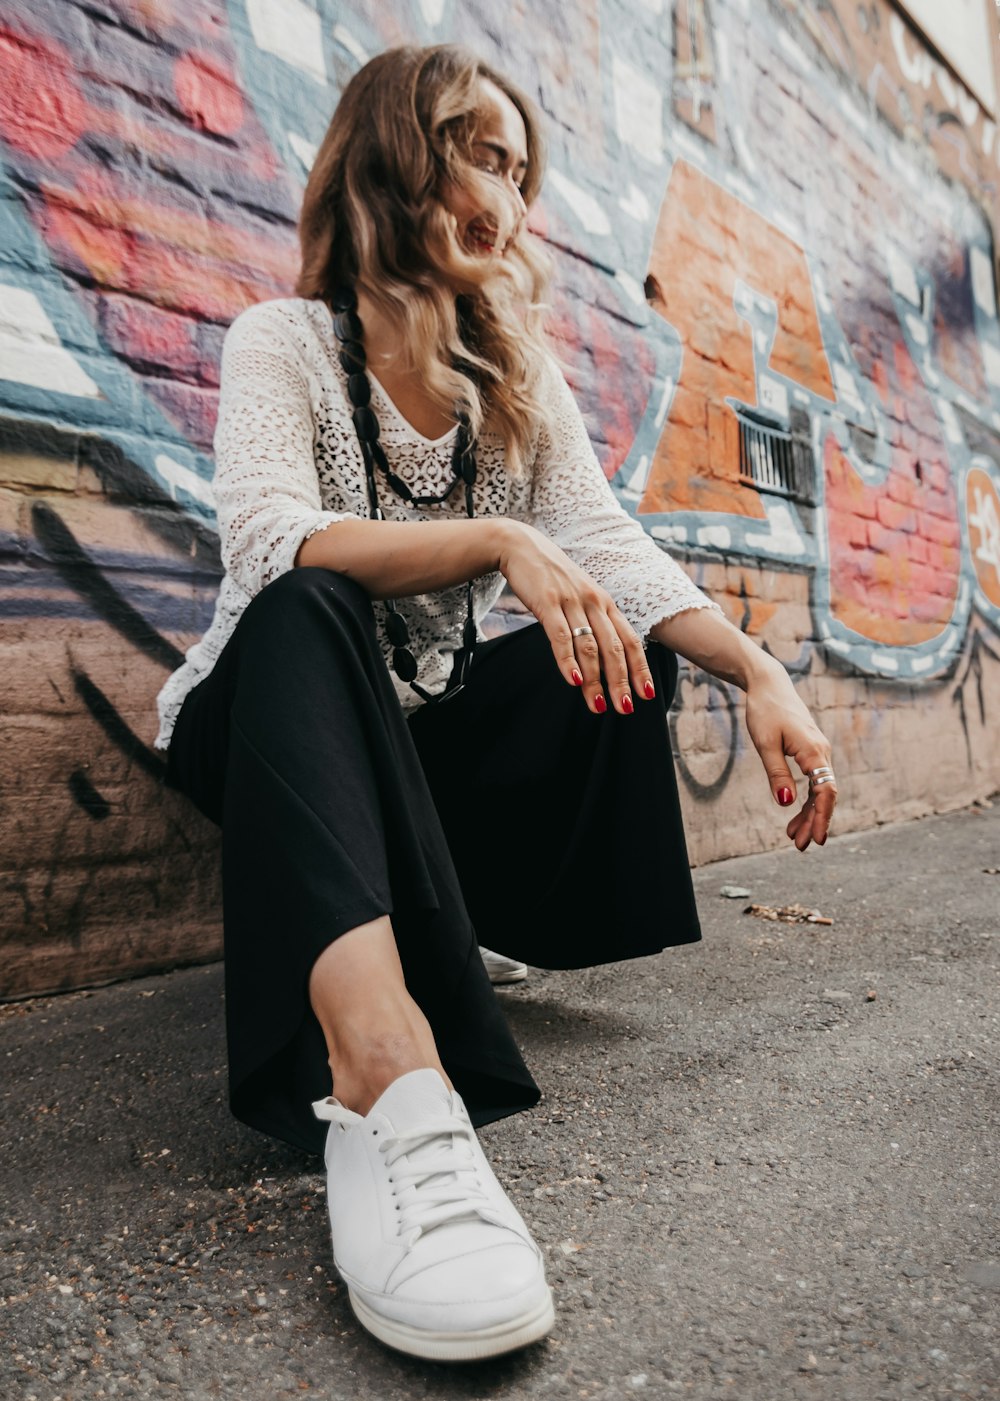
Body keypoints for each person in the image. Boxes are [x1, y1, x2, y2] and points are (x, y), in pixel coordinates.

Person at [156, 44, 837, 1364]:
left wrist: (756, 670)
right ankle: (387, 1075)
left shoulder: (510, 383)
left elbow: (608, 542)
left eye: (522, 171)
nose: (507, 193)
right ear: (394, 151)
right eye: (479, 150)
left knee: (609, 642)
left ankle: (461, 921)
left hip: (418, 739)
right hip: (266, 721)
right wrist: (490, 544)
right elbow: (264, 539)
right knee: (315, 598)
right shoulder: (286, 343)